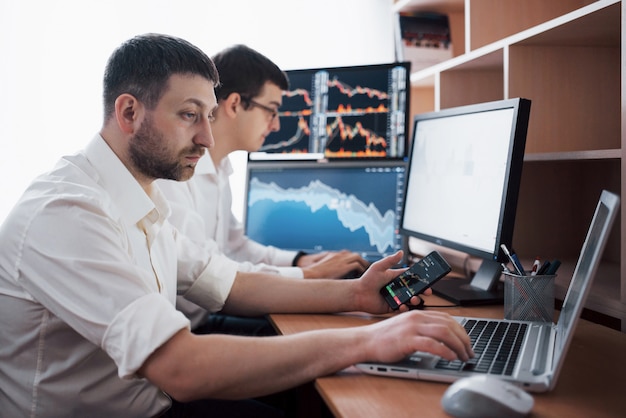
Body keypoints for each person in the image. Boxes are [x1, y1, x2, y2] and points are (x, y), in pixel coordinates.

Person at [0, 33, 473, 417]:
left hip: (150, 400)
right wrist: (367, 338)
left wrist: (355, 296)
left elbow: (225, 284)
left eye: (207, 116)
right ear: (128, 113)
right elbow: (181, 368)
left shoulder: (138, 197)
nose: (206, 137)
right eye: (189, 116)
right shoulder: (67, 212)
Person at [157, 44, 370, 334]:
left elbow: (234, 246)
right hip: (191, 327)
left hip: (205, 315)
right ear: (234, 105)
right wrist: (308, 275)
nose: (276, 124)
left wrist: (298, 261)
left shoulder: (220, 168)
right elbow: (210, 271)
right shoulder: (176, 176)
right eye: (271, 111)